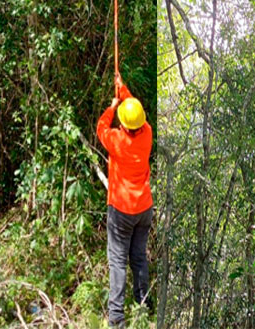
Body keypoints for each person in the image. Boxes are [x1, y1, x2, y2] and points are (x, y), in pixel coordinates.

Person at [97, 75, 153, 328]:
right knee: (139, 258)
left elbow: (101, 127)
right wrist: (124, 89)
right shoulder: (147, 134)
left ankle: (117, 317)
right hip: (143, 209)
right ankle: (143, 305)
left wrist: (112, 105)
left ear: (123, 124)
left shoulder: (117, 141)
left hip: (121, 210)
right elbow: (134, 112)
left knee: (118, 262)